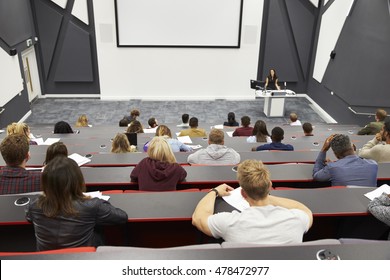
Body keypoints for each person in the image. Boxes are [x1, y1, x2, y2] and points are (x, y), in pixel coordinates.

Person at [192, 159, 313, 244]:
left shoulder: (230, 222)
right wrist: (264, 194)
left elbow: (198, 219)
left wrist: (214, 191)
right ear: (270, 185)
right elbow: (304, 209)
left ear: (243, 193)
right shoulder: (296, 219)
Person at [26, 156, 128, 251]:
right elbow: (122, 217)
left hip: (47, 259)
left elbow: (29, 218)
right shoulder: (92, 205)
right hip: (82, 258)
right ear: (77, 180)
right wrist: (101, 202)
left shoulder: (35, 205)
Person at [313, 134, 378, 186]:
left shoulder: (332, 168)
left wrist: (324, 149)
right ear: (353, 147)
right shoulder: (373, 165)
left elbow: (316, 176)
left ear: (336, 154)